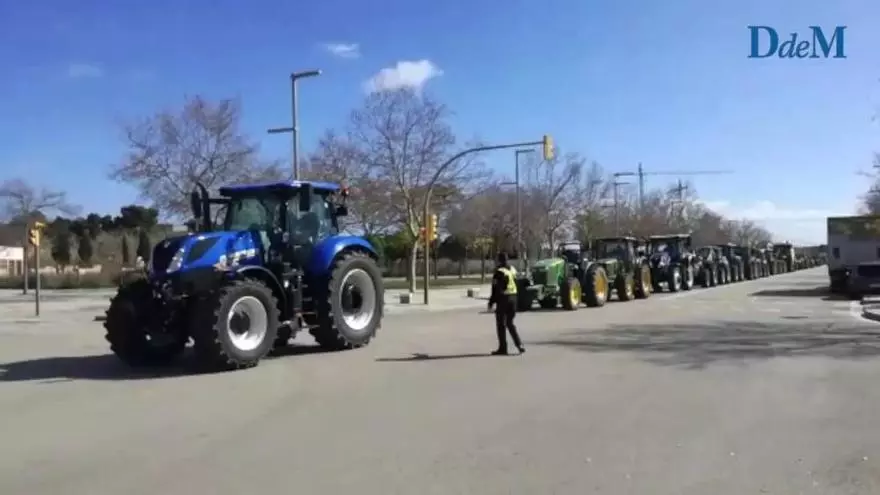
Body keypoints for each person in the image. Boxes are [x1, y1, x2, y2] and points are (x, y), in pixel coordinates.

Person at [487, 252, 525, 355]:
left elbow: (495, 289)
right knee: (510, 323)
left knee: (501, 325)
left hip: (504, 299)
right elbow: (517, 283)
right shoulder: (512, 270)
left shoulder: (499, 272)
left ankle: (503, 348)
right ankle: (519, 345)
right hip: (514, 298)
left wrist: (491, 302)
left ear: (499, 260)